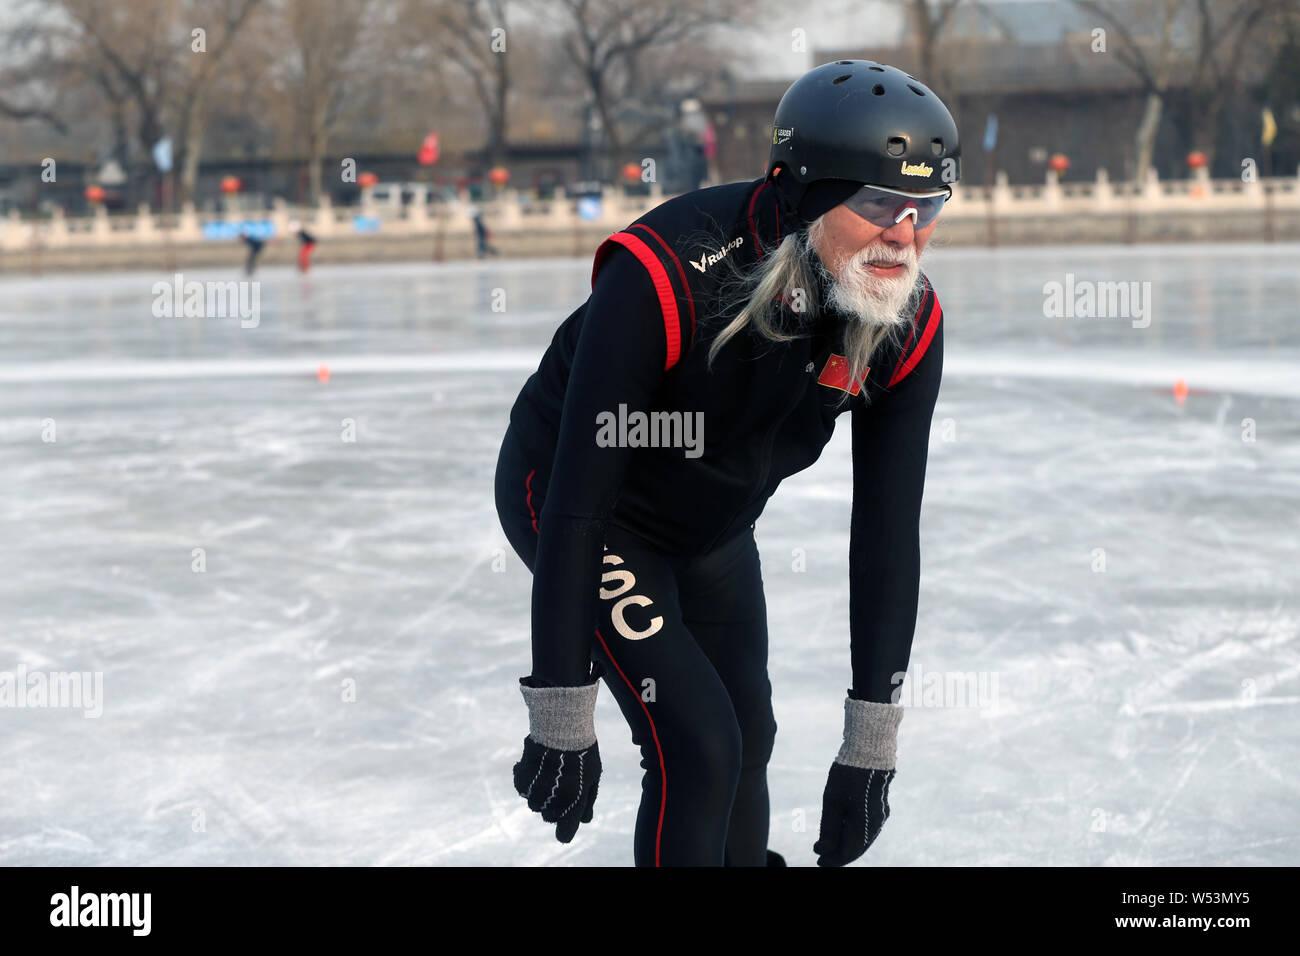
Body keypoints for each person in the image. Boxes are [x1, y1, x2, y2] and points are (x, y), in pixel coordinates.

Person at [494, 60, 959, 867]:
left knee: (748, 733)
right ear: (798, 193)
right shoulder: (666, 272)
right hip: (586, 506)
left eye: (928, 207)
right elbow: (576, 495)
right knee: (699, 745)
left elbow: (886, 532)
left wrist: (870, 745)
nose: (905, 234)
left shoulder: (904, 322)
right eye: (880, 202)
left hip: (713, 527)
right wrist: (562, 710)